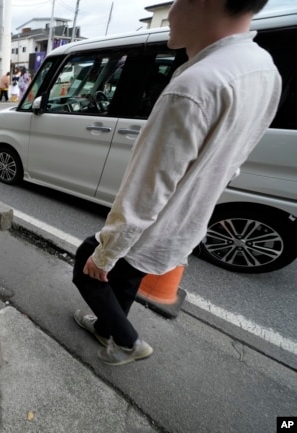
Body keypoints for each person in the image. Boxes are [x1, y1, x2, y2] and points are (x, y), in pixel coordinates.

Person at [72, 0, 281, 366]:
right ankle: (107, 330)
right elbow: (236, 157)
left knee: (88, 265)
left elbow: (146, 192)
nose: (170, 14)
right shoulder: (265, 69)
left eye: (177, 1)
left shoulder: (195, 85)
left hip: (157, 219)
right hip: (192, 214)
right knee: (126, 277)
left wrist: (104, 252)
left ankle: (127, 342)